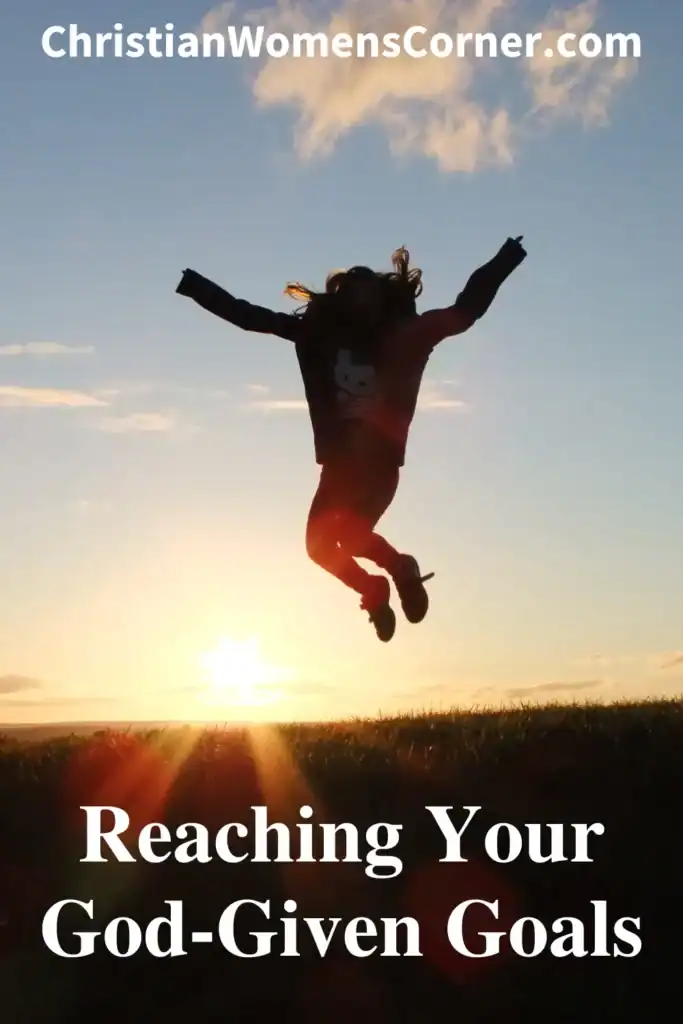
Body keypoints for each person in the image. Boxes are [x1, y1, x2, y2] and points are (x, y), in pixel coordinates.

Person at [175, 235, 526, 641]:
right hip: (339, 468)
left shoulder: (410, 336)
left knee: (352, 537)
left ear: (382, 298)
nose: (359, 300)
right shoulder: (317, 335)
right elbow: (250, 316)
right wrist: (195, 286)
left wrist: (506, 258)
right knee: (320, 547)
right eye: (350, 292)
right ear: (340, 302)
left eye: (367, 291)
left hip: (379, 464)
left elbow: (465, 311)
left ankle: (400, 569)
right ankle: (375, 587)